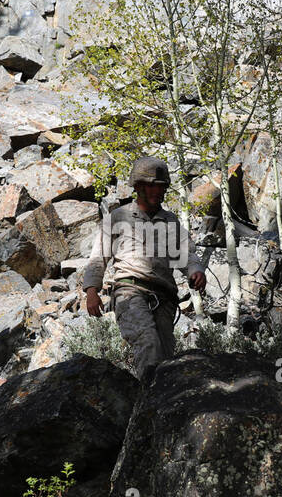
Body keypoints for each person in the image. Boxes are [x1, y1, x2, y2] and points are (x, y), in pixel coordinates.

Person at [82, 156, 206, 383]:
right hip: (129, 292)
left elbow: (187, 254)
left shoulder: (170, 222)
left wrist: (195, 271)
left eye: (161, 187)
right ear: (138, 186)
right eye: (151, 185)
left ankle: (157, 408)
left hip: (165, 299)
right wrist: (92, 291)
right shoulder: (118, 218)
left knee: (166, 361)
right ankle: (148, 405)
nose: (157, 191)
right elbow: (98, 256)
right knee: (148, 343)